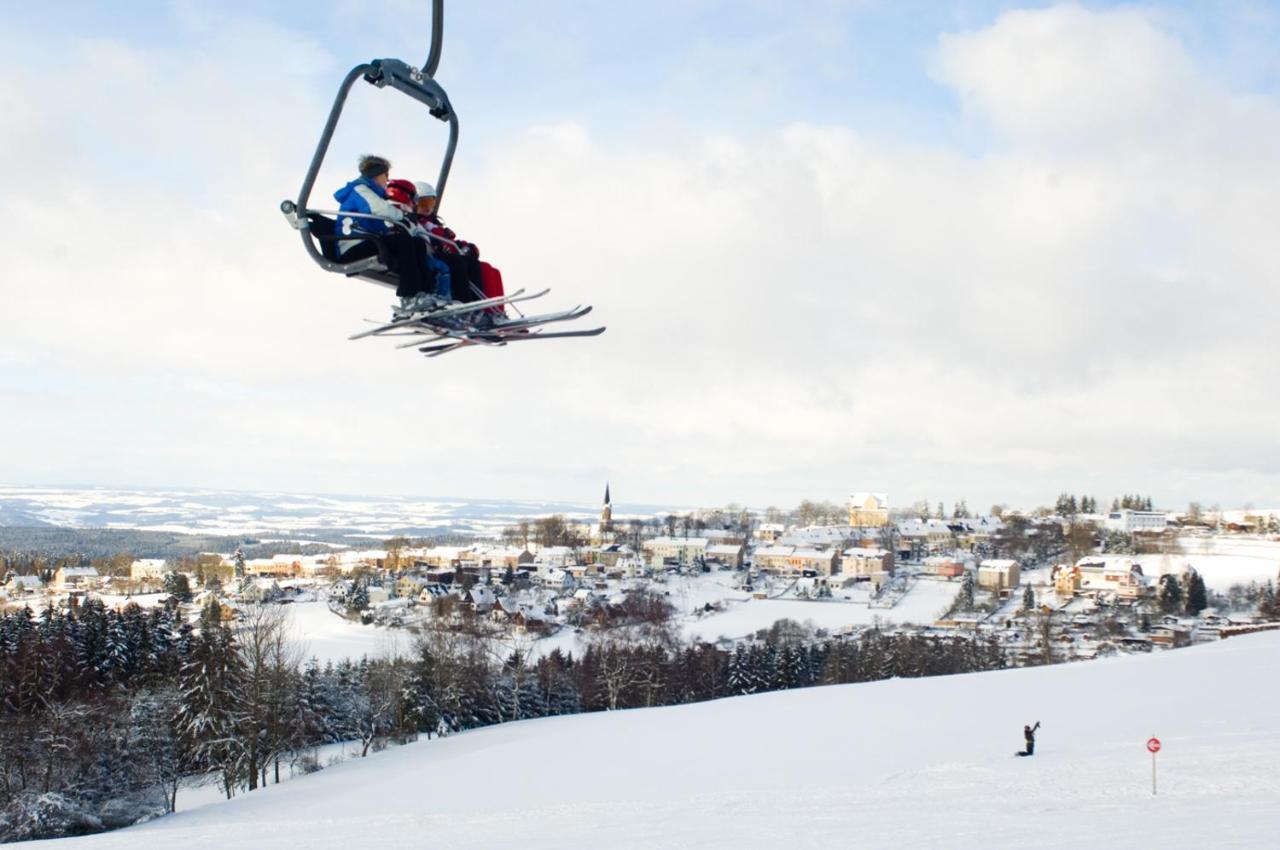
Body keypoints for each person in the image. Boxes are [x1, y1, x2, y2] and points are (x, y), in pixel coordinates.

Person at [333, 155, 441, 314]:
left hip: (369, 241)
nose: (387, 180)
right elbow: (379, 208)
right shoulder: (360, 189)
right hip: (353, 245)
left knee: (416, 243)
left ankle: (424, 294)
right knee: (403, 241)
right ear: (377, 174)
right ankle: (409, 296)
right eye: (386, 176)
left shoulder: (372, 192)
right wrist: (402, 216)